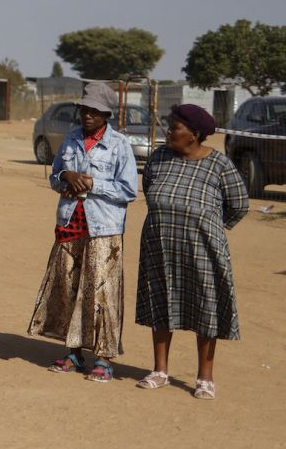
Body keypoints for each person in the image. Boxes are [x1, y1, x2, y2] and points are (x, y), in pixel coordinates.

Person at [134, 104, 249, 400]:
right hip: (160, 245)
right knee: (161, 301)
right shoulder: (160, 156)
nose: (168, 132)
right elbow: (150, 188)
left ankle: (205, 378)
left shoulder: (219, 165)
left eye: (175, 128)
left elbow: (239, 205)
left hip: (204, 250)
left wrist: (210, 226)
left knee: (205, 307)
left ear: (194, 135)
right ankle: (160, 370)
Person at [29, 82, 138, 383]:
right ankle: (73, 351)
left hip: (103, 229)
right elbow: (54, 177)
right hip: (70, 224)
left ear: (106, 114)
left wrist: (92, 184)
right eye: (84, 110)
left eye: (94, 111)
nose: (87, 116)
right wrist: (66, 175)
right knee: (69, 286)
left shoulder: (119, 146)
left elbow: (129, 190)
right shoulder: (72, 139)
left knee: (101, 291)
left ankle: (103, 358)